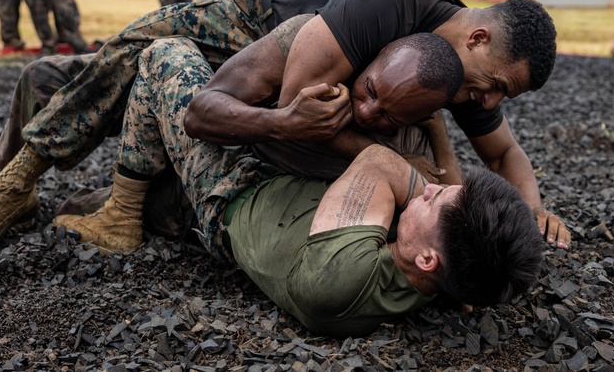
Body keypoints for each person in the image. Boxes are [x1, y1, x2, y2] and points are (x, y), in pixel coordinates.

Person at [0, 0, 568, 258]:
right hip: (253, 25)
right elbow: (296, 116)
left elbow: (505, 151)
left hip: (270, 84)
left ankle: (97, 199)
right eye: (498, 85)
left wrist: (533, 217)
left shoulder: (454, 74)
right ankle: (7, 188)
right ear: (478, 36)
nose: (487, 100)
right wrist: (403, 167)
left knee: (79, 76)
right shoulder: (390, 1)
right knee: (93, 62)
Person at [58, 36, 542, 337]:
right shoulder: (441, 274)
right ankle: (130, 200)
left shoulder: (340, 280)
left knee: (167, 54)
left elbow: (379, 162)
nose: (432, 190)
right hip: (284, 194)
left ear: (428, 259)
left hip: (231, 191)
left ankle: (121, 215)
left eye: (436, 202)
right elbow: (450, 218)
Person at [49, 15, 465, 252]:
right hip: (227, 189)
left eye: (390, 115)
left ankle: (122, 215)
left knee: (164, 52)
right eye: (370, 90)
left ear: (420, 115)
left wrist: (434, 133)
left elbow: (455, 213)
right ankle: (120, 207)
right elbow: (202, 114)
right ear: (369, 60)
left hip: (236, 203)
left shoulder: (413, 136)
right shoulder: (316, 56)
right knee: (77, 203)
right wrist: (286, 120)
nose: (368, 110)